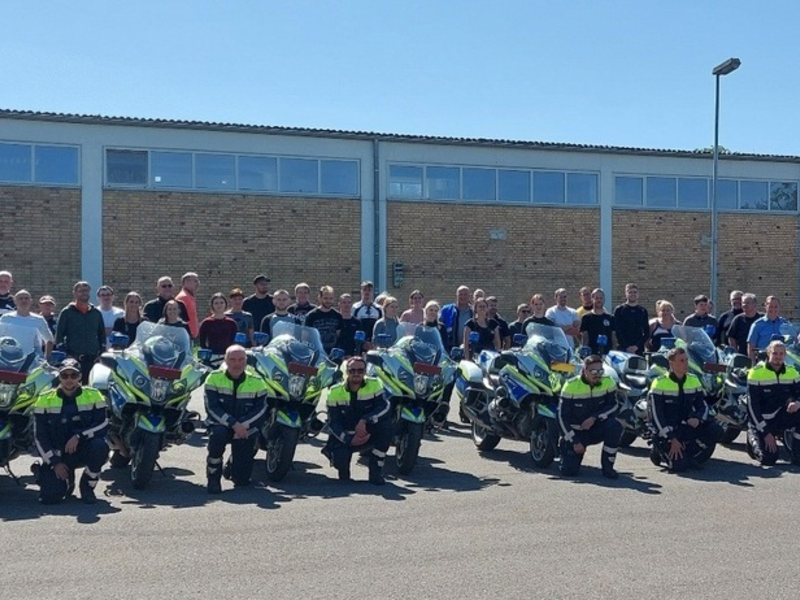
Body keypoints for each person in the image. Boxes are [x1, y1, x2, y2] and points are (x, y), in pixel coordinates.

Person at [32, 358, 109, 504]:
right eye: (64, 376)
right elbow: (39, 436)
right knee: (50, 498)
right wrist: (55, 462)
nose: (69, 380)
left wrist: (79, 435)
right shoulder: (44, 399)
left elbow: (103, 424)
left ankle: (87, 486)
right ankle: (61, 479)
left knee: (100, 446)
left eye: (73, 376)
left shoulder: (93, 395)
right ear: (59, 377)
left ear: (80, 377)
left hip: (83, 448)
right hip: (58, 454)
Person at [204, 345, 269, 493]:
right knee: (218, 436)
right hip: (220, 423)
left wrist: (243, 425)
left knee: (242, 482)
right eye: (232, 359)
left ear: (246, 361)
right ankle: (213, 479)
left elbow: (261, 410)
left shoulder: (257, 381)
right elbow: (212, 408)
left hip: (245, 427)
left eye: (241, 359)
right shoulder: (213, 378)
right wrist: (233, 424)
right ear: (225, 360)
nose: (237, 363)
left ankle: (233, 466)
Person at [649, 347, 722, 472]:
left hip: (685, 425)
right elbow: (656, 416)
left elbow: (703, 405)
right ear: (671, 363)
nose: (686, 363)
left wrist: (697, 418)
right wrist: (671, 438)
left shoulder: (693, 380)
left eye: (686, 360)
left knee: (716, 429)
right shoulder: (659, 383)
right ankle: (658, 450)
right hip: (667, 429)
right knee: (679, 467)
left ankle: (689, 454)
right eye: (681, 361)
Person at [322, 356, 392, 485]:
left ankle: (375, 472)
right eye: (352, 370)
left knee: (386, 427)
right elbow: (333, 422)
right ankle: (340, 466)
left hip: (368, 431)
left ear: (365, 372)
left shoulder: (375, 383)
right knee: (342, 470)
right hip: (346, 434)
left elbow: (384, 406)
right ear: (347, 372)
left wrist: (366, 420)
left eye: (360, 370)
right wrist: (348, 439)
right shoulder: (335, 391)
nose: (356, 373)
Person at [557, 354, 621, 479]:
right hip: (576, 432)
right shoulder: (571, 385)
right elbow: (560, 417)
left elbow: (614, 406)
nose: (597, 374)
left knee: (615, 426)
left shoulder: (608, 381)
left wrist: (594, 418)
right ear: (584, 371)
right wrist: (574, 441)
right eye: (593, 371)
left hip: (595, 428)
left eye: (600, 370)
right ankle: (565, 446)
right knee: (569, 472)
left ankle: (608, 468)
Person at [746, 340, 800, 465]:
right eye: (775, 353)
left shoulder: (792, 372)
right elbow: (752, 406)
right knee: (769, 459)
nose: (778, 357)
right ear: (768, 353)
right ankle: (752, 436)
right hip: (761, 421)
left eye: (781, 354)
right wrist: (765, 432)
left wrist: (797, 402)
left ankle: (797, 453)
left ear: (785, 355)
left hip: (780, 418)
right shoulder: (756, 373)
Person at [55, 281, 106, 383]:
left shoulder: (96, 313)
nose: (84, 293)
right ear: (74, 293)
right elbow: (59, 336)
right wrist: (66, 355)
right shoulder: (67, 312)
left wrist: (101, 353)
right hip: (73, 360)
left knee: (90, 390)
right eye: (81, 291)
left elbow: (102, 335)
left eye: (86, 290)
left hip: (92, 360)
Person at [0, 289, 54, 357]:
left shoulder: (39, 320)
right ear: (15, 301)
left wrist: (46, 359)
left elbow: (49, 340)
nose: (24, 300)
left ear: (31, 301)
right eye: (20, 298)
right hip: (9, 360)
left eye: (26, 298)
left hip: (32, 362)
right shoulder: (6, 318)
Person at [747, 296, 789, 361]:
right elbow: (751, 347)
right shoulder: (757, 325)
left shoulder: (785, 323)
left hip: (783, 363)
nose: (773, 309)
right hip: (764, 363)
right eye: (770, 306)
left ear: (779, 308)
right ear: (765, 306)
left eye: (776, 307)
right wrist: (752, 365)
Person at [305, 285, 344, 354]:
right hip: (316, 352)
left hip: (333, 353)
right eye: (325, 298)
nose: (328, 301)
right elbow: (306, 336)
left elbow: (339, 336)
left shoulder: (338, 316)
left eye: (330, 298)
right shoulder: (311, 316)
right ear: (320, 298)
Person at [613, 283, 649, 355]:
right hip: (623, 348)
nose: (633, 294)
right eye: (630, 292)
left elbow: (646, 332)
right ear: (626, 294)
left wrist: (637, 346)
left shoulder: (642, 311)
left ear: (638, 294)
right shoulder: (619, 310)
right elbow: (616, 330)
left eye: (635, 292)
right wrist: (626, 346)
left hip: (638, 349)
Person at [580, 288, 615, 355]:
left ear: (604, 299)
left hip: (607, 354)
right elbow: (585, 338)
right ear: (592, 299)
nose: (599, 300)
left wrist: (614, 353)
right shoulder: (586, 318)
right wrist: (584, 353)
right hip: (591, 354)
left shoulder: (611, 318)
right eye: (597, 298)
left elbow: (613, 338)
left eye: (601, 298)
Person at [439, 285, 472, 352]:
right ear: (456, 295)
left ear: (469, 296)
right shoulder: (446, 310)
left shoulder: (474, 312)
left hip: (469, 349)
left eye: (465, 294)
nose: (463, 297)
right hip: (449, 349)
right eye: (460, 294)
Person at [336, 293, 363, 357]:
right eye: (344, 302)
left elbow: (360, 342)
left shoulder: (357, 322)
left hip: (352, 355)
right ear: (339, 304)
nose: (346, 305)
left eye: (349, 302)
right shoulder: (335, 320)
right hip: (337, 354)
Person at [175, 272, 200, 339]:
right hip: (185, 336)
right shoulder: (183, 297)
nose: (198, 283)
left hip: (189, 336)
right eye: (195, 281)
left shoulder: (189, 296)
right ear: (186, 282)